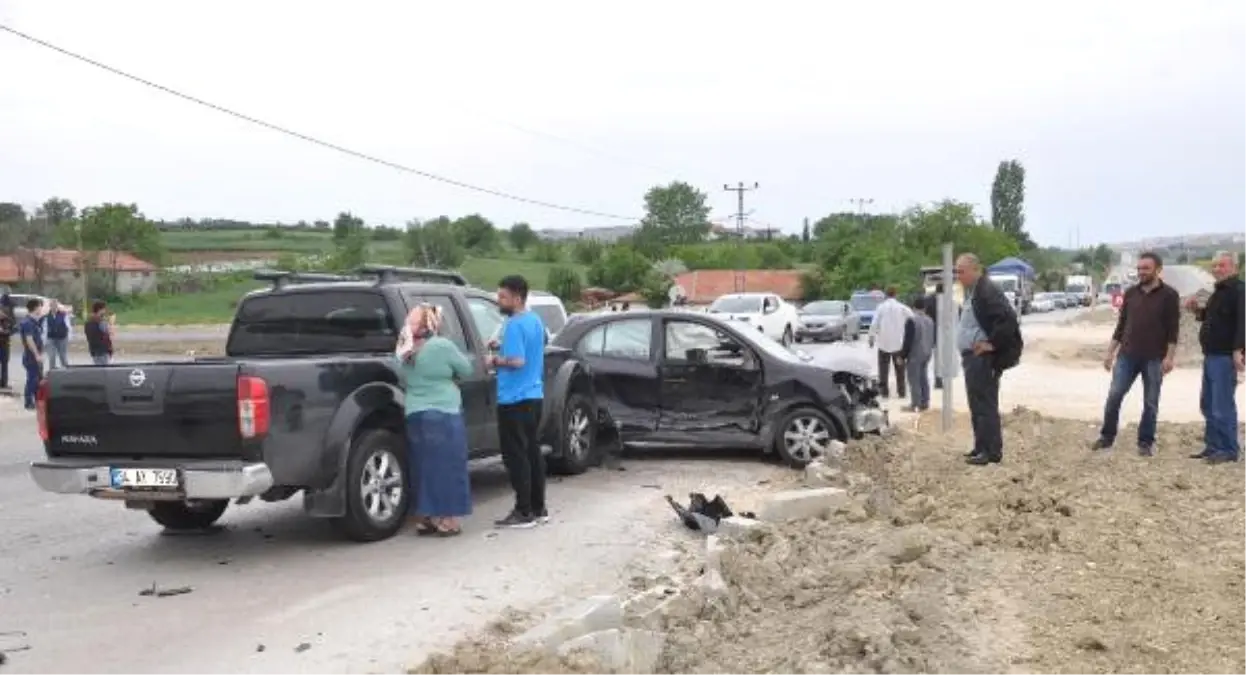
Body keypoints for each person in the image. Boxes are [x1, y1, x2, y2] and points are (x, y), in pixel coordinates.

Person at [1092, 252, 1180, 456]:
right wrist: (1110, 352)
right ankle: (1106, 437)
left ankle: (1145, 442)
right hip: (1127, 355)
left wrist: (1169, 357)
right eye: (1139, 268)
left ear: (1158, 270)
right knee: (1114, 396)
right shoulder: (1131, 293)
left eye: (1146, 268)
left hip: (1154, 358)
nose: (1141, 272)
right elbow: (1121, 326)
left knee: (1151, 402)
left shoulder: (1169, 295)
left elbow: (1173, 329)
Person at [396, 304, 474, 536]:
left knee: (423, 466)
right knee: (448, 467)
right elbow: (467, 370)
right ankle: (447, 520)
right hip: (443, 413)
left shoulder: (403, 350)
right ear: (432, 323)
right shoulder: (442, 345)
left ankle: (424, 517)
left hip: (415, 413)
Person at [488, 274, 548, 529]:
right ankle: (538, 507)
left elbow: (517, 361)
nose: (498, 300)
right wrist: (501, 345)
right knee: (532, 453)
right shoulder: (534, 320)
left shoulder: (513, 324)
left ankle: (523, 511)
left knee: (516, 457)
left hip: (514, 398)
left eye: (502, 296)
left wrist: (494, 360)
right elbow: (535, 345)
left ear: (517, 297)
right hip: (534, 396)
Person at [955, 254, 1023, 466]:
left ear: (975, 270)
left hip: (983, 359)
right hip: (972, 358)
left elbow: (1008, 319)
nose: (959, 276)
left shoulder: (987, 291)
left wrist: (991, 344)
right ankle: (981, 446)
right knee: (976, 404)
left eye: (962, 271)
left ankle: (990, 451)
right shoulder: (973, 291)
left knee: (985, 404)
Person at [1187, 251, 1246, 464]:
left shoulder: (1240, 291)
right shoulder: (1219, 291)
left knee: (1222, 405)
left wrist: (1239, 350)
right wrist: (1197, 311)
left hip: (1224, 357)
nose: (1217, 269)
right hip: (1211, 355)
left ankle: (1228, 449)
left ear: (1234, 268)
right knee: (1208, 403)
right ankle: (1213, 446)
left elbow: (1243, 323)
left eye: (1222, 265)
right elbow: (1213, 318)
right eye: (1215, 265)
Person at [867, 286, 913, 398]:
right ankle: (901, 392)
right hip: (899, 344)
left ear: (886, 295)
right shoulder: (902, 307)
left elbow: (874, 324)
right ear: (896, 294)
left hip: (884, 343)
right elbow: (912, 318)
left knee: (883, 369)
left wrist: (871, 337)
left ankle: (884, 392)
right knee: (900, 369)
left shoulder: (881, 307)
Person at [901, 296, 935, 412]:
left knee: (913, 379)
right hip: (927, 353)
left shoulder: (912, 320)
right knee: (924, 378)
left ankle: (915, 403)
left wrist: (902, 356)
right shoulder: (930, 320)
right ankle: (925, 401)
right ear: (924, 308)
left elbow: (908, 340)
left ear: (913, 307)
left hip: (915, 354)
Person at [18, 297, 46, 410]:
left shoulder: (34, 321)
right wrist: (37, 355)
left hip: (36, 355)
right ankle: (28, 402)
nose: (41, 309)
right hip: (31, 356)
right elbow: (29, 340)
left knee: (38, 379)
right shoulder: (27, 322)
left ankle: (37, 401)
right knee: (32, 379)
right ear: (35, 308)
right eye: (40, 306)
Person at [44, 299, 72, 370]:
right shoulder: (46, 316)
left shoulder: (63, 315)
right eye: (52, 305)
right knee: (52, 356)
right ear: (50, 306)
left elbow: (68, 326)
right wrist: (44, 340)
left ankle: (66, 370)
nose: (54, 307)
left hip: (62, 338)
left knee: (63, 355)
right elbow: (45, 328)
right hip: (51, 338)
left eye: (55, 306)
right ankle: (52, 370)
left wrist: (69, 337)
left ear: (57, 306)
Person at [84, 301, 114, 365]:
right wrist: (111, 323)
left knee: (97, 369)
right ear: (100, 310)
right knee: (104, 371)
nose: (105, 311)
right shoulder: (100, 321)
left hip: (93, 349)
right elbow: (109, 332)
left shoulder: (88, 321)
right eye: (104, 309)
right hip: (103, 349)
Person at [0, 293, 14, 389]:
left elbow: (13, 328)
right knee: (4, 363)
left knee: (4, 363)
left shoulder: (9, 317)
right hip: (4, 342)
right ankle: (3, 383)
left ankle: (4, 383)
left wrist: (5, 331)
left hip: (5, 342)